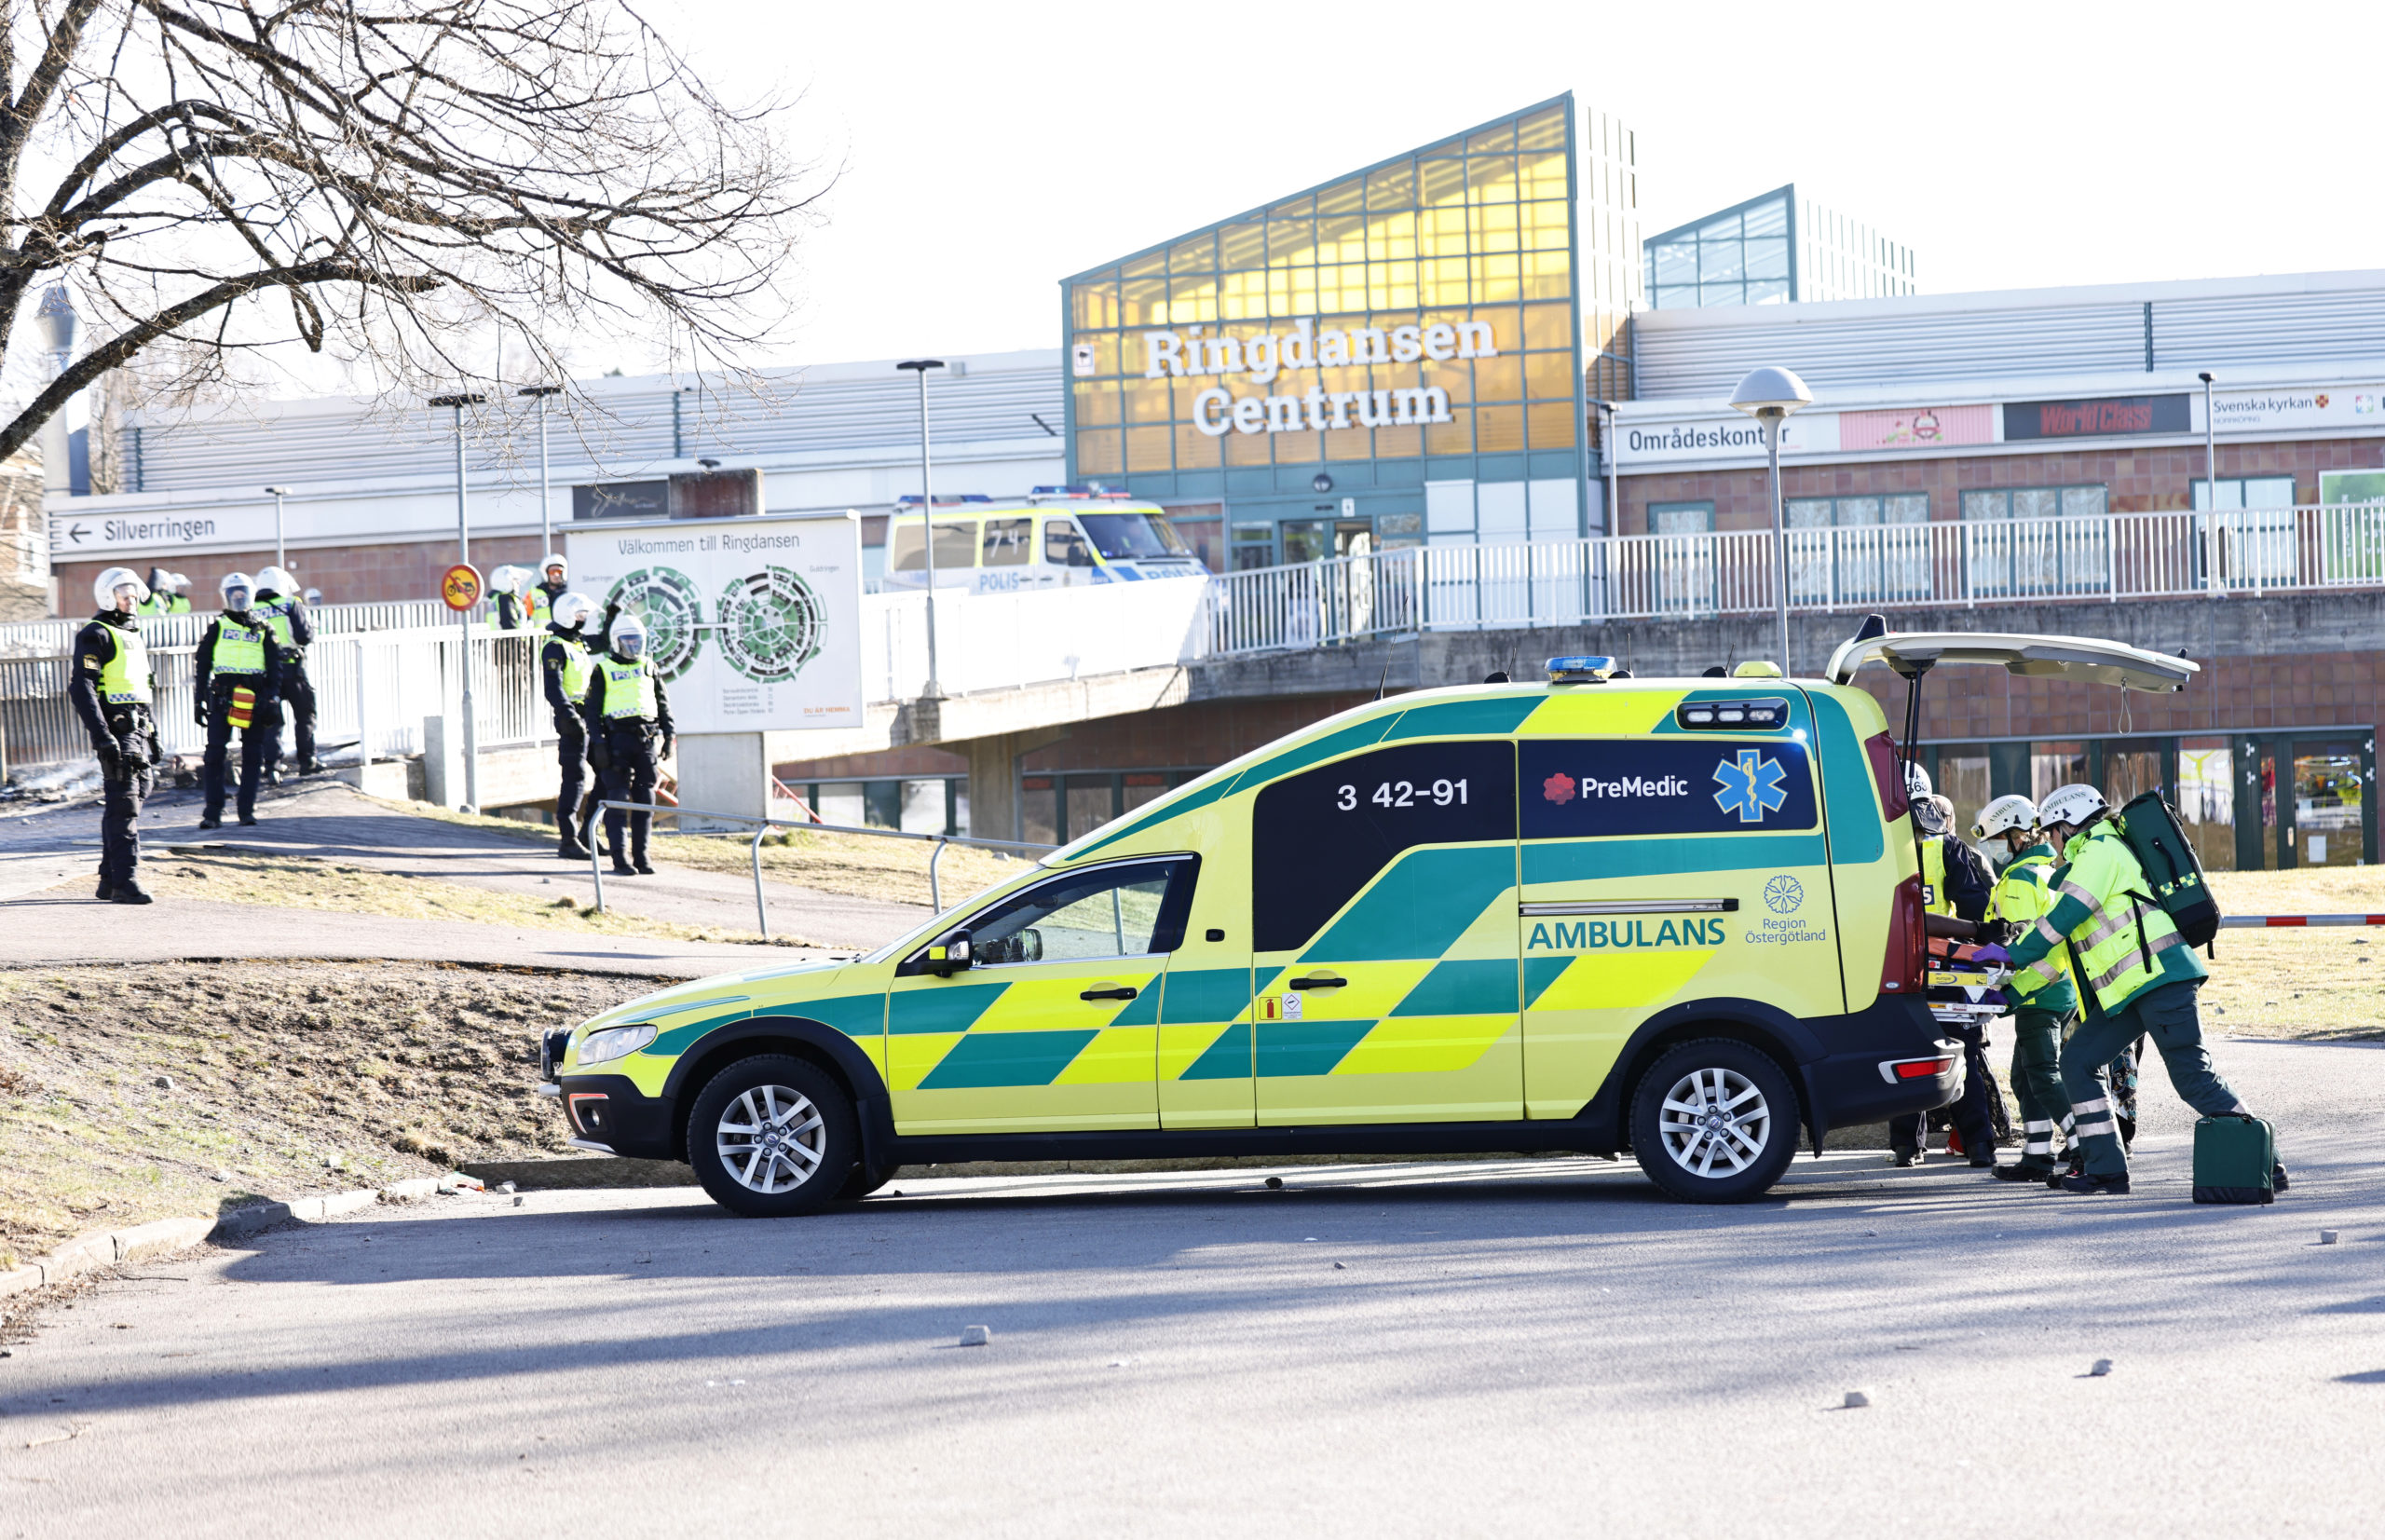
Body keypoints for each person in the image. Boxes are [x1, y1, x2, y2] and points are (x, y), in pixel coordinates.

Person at [1992, 783, 2286, 1196]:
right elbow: (2058, 954)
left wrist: (2009, 956)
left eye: (2051, 830)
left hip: (2161, 981)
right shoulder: (2089, 856)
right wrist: (2007, 996)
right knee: (2077, 1061)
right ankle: (2105, 1169)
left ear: (2067, 825)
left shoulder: (2100, 850)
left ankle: (2266, 1163)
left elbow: (2063, 918)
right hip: (2131, 990)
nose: (2050, 841)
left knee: (2193, 1077)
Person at [1888, 765, 1999, 1167]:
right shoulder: (1947, 847)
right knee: (1961, 1056)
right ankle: (1979, 1145)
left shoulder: (1876, 845)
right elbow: (1977, 912)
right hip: (1946, 972)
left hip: (1897, 970)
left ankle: (1906, 1146)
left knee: (1904, 1053)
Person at [1973, 794, 2078, 1181]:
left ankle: (2083, 1142)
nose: (1992, 848)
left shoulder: (2018, 880)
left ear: (2017, 835)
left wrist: (2011, 994)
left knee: (2043, 1075)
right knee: (2024, 1076)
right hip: (2055, 990)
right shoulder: (2045, 870)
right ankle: (2037, 1155)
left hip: (2039, 993)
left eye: (1997, 839)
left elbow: (2027, 950)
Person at [69, 568, 162, 903]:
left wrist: (153, 734)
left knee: (138, 792)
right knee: (125, 803)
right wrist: (103, 736)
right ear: (109, 596)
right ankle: (126, 882)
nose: (131, 600)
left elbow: (140, 690)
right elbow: (81, 687)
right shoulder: (96, 634)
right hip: (117, 730)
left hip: (138, 729)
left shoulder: (133, 634)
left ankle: (109, 878)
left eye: (134, 594)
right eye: (125, 594)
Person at [580, 611, 672, 878]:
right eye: (627, 641)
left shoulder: (648, 666)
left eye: (637, 641)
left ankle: (642, 857)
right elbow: (592, 711)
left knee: (646, 800)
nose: (633, 646)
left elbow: (663, 704)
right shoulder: (603, 669)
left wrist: (669, 736)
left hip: (645, 741)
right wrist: (597, 743)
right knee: (617, 800)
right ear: (616, 641)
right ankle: (620, 859)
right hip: (615, 742)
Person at [194, 571, 284, 828]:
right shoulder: (218, 626)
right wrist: (198, 699)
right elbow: (203, 664)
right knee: (214, 754)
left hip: (253, 695)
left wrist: (271, 697)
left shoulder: (265, 628)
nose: (238, 599)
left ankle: (246, 810)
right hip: (222, 694)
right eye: (234, 595)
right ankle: (213, 812)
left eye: (243, 594)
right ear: (226, 597)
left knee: (253, 753)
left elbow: (275, 666)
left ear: (251, 596)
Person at [543, 592, 599, 860]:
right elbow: (553, 689)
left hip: (590, 716)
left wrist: (611, 619)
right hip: (572, 720)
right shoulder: (555, 647)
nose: (584, 619)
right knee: (574, 779)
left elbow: (601, 642)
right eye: (580, 614)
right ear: (567, 615)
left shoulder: (578, 643)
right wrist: (570, 717)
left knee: (608, 773)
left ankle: (590, 832)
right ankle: (568, 839)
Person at [252, 565, 321, 775]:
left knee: (271, 721)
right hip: (292, 669)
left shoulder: (252, 610)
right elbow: (303, 637)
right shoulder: (291, 604)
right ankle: (307, 761)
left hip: (265, 673)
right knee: (304, 715)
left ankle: (272, 766)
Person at [493, 565, 549, 633]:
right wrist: (517, 641)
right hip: (510, 641)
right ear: (507, 582)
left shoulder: (500, 598)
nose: (519, 584)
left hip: (503, 640)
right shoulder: (505, 599)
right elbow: (509, 624)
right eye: (516, 581)